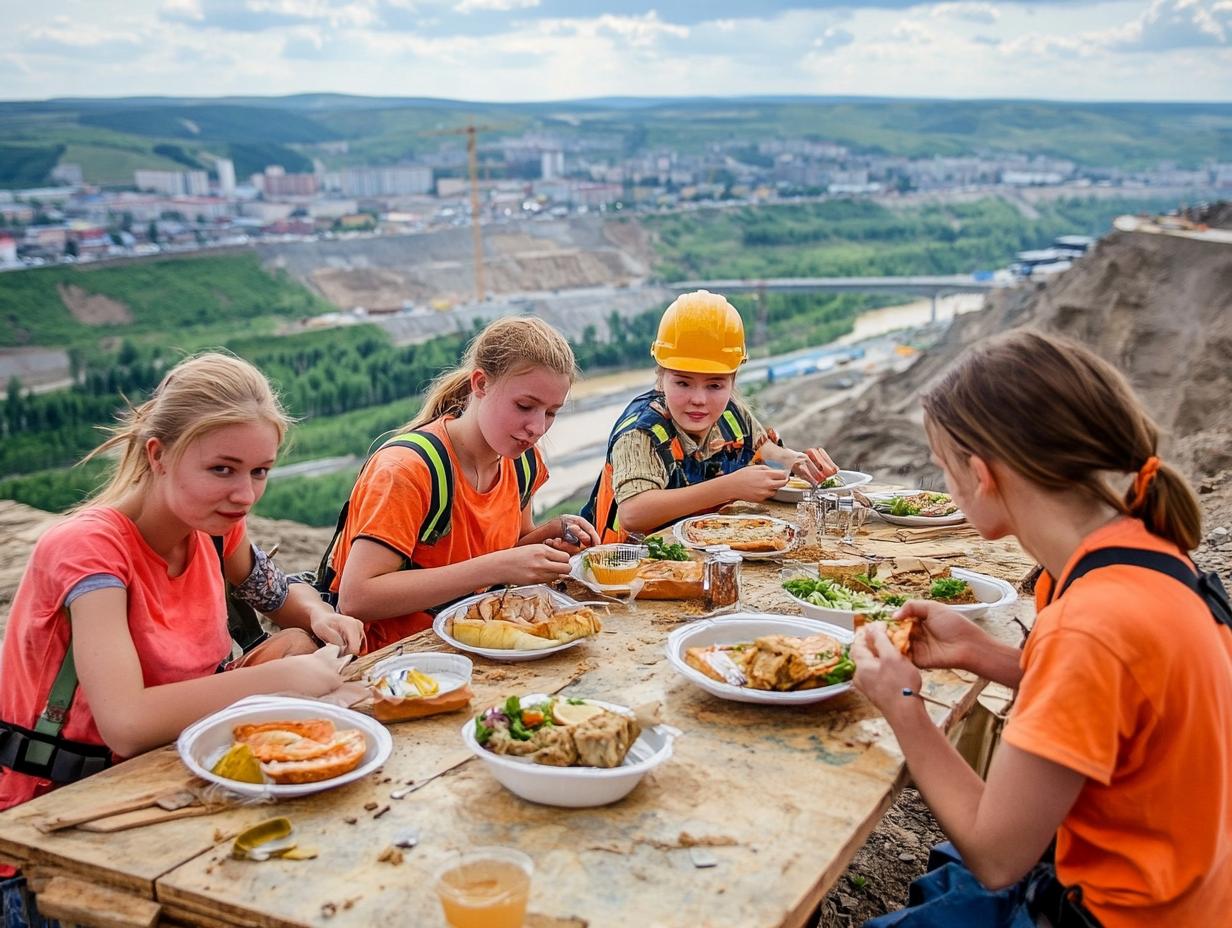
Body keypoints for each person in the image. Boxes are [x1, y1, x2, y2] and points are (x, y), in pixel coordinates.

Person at [852, 330, 1232, 928]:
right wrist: (986, 654)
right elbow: (1115, 708)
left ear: (981, 474)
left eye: (943, 469)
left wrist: (902, 705)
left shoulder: (1088, 626)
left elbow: (997, 854)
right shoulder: (1140, 554)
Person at [0, 353, 364, 918]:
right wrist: (281, 679)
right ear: (158, 454)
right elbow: (125, 722)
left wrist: (316, 615)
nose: (244, 494)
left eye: (260, 471)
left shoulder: (215, 530)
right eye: (222, 469)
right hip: (54, 826)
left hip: (165, 783)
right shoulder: (88, 551)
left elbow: (275, 595)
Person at [325, 316, 599, 654]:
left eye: (551, 412)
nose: (537, 427)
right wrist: (497, 567)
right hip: (396, 658)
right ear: (481, 384)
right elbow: (358, 597)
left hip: (478, 642)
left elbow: (512, 542)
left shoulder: (522, 461)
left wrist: (553, 534)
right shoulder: (407, 471)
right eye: (525, 406)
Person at [582, 289, 839, 542]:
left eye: (714, 385)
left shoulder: (732, 415)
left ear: (732, 381)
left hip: (702, 554)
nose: (699, 399)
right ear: (661, 377)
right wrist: (728, 487)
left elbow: (765, 452)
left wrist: (795, 461)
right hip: (624, 569)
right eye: (683, 383)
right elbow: (633, 513)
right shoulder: (642, 432)